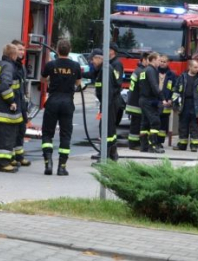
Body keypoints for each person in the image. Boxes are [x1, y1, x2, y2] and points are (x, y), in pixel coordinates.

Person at [40, 39, 82, 176]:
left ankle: (48, 164)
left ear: (57, 50)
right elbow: (78, 83)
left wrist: (52, 79)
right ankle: (62, 167)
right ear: (69, 50)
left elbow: (43, 79)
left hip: (53, 100)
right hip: (67, 102)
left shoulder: (51, 65)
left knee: (47, 133)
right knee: (65, 134)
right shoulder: (76, 66)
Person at [0, 44, 23, 173]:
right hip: (5, 112)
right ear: (12, 55)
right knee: (6, 138)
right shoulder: (9, 67)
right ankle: (3, 163)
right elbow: (4, 86)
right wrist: (11, 101)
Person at [85, 48, 122, 161]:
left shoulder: (105, 70)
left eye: (93, 59)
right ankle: (112, 154)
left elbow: (110, 90)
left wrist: (105, 107)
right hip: (108, 103)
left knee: (107, 129)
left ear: (99, 58)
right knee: (110, 130)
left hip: (109, 103)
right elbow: (92, 74)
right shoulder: (102, 69)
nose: (92, 62)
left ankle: (105, 156)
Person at [171, 59, 198, 152]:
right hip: (184, 104)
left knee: (195, 126)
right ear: (190, 67)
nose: (197, 69)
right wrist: (175, 104)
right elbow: (176, 91)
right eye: (195, 67)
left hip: (196, 105)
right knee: (183, 125)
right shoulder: (182, 77)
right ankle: (182, 145)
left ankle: (194, 146)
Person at [139, 52, 167, 153]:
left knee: (145, 123)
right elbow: (154, 86)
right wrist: (162, 98)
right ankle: (153, 146)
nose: (160, 62)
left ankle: (144, 146)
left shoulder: (144, 70)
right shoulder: (151, 71)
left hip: (143, 99)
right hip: (149, 100)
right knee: (155, 122)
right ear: (154, 60)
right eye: (159, 60)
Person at [10, 39, 31, 168]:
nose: (22, 52)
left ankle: (19, 156)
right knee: (12, 131)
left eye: (23, 50)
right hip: (14, 103)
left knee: (21, 130)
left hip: (21, 102)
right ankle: (11, 156)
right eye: (19, 49)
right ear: (13, 50)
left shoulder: (20, 66)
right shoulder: (10, 66)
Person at [126, 53, 149, 150]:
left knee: (135, 123)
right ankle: (133, 144)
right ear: (143, 60)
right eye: (149, 60)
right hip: (136, 103)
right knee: (136, 124)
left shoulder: (138, 70)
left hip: (133, 101)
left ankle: (134, 143)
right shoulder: (142, 72)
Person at [157, 55, 177, 148]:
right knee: (154, 121)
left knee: (163, 123)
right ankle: (153, 140)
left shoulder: (172, 75)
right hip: (156, 100)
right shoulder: (154, 71)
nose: (162, 63)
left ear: (168, 63)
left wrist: (171, 99)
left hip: (167, 103)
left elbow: (174, 88)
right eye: (161, 61)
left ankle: (160, 142)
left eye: (164, 62)